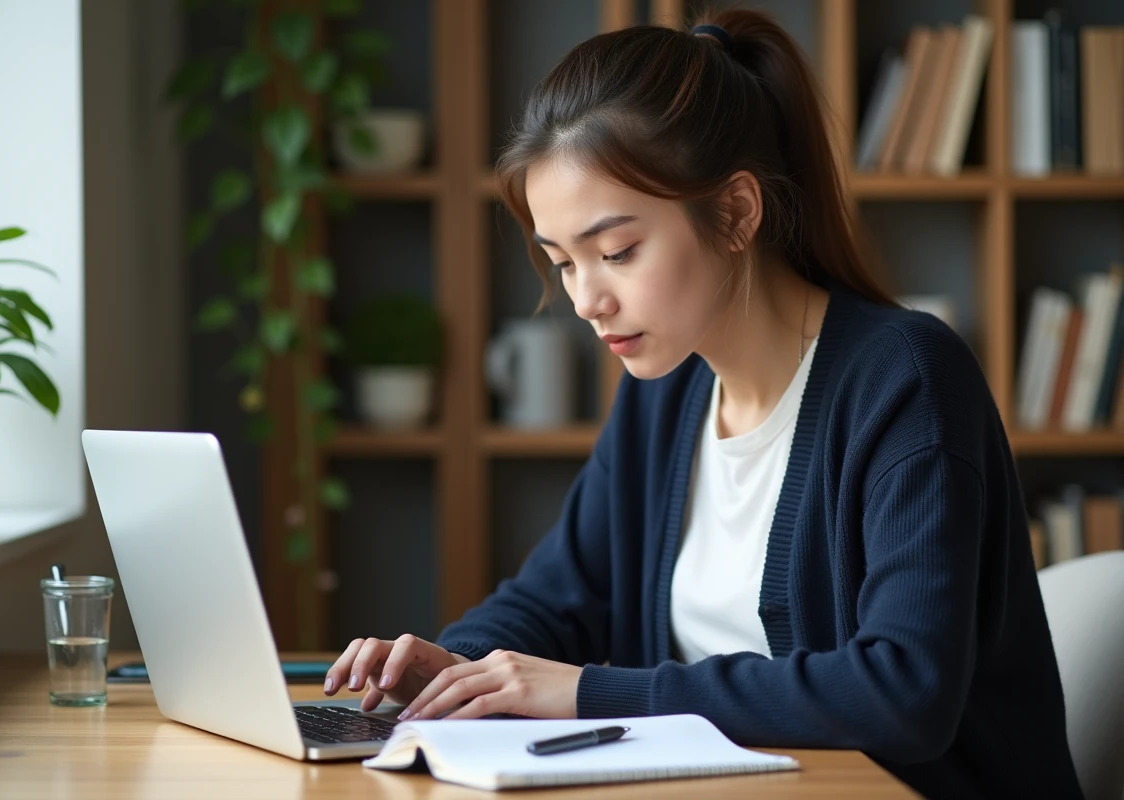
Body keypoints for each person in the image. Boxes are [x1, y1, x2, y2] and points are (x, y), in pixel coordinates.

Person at [322, 9, 1083, 799]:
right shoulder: (669, 389)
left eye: (616, 252)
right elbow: (558, 595)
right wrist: (461, 666)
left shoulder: (905, 379)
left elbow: (903, 693)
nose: (587, 300)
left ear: (735, 213)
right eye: (563, 263)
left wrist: (585, 692)